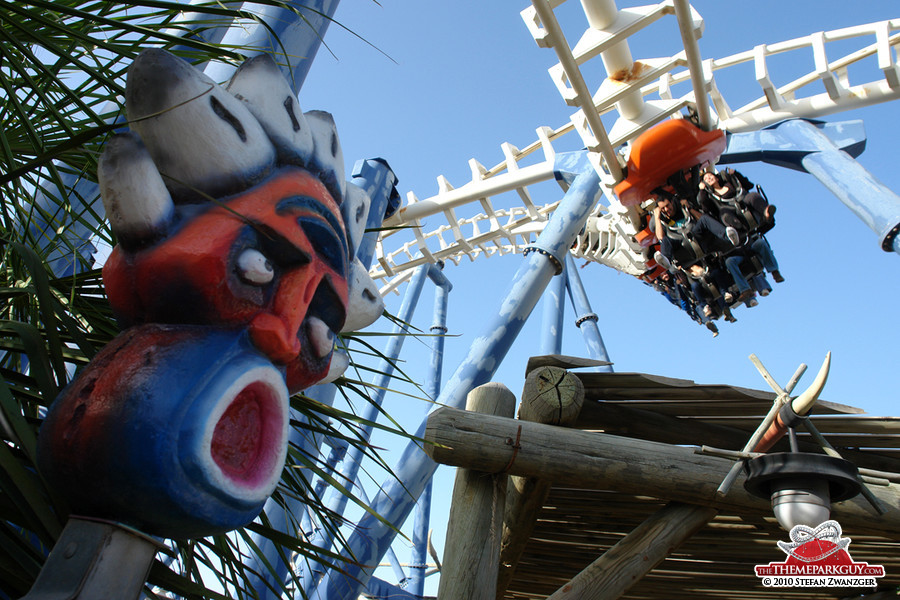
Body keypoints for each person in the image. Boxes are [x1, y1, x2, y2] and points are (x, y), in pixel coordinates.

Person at [651, 193, 740, 269]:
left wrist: (689, 209)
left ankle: (728, 236)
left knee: (704, 219)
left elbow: (701, 218)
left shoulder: (681, 210)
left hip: (694, 234)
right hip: (680, 242)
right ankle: (666, 260)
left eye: (667, 206)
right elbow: (660, 237)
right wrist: (657, 217)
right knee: (665, 240)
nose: (666, 209)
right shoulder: (662, 221)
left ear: (671, 203)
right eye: (663, 208)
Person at [697, 168, 776, 234]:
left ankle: (766, 213)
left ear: (717, 178)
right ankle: (737, 232)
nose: (709, 178)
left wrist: (736, 174)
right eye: (706, 179)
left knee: (752, 196)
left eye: (710, 176)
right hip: (731, 211)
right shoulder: (711, 197)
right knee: (724, 214)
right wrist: (702, 190)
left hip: (743, 202)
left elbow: (749, 185)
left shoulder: (729, 183)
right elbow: (705, 206)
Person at [724, 235, 784, 306]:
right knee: (729, 261)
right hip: (737, 254)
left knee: (760, 243)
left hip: (750, 246)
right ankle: (745, 290)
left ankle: (774, 271)